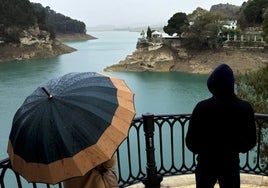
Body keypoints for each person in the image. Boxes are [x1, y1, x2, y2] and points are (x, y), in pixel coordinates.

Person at [186, 64, 257, 188]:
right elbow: (250, 141)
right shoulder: (245, 108)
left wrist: (204, 150)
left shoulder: (202, 108)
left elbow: (191, 142)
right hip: (231, 163)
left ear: (212, 84)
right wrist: (235, 148)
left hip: (206, 163)